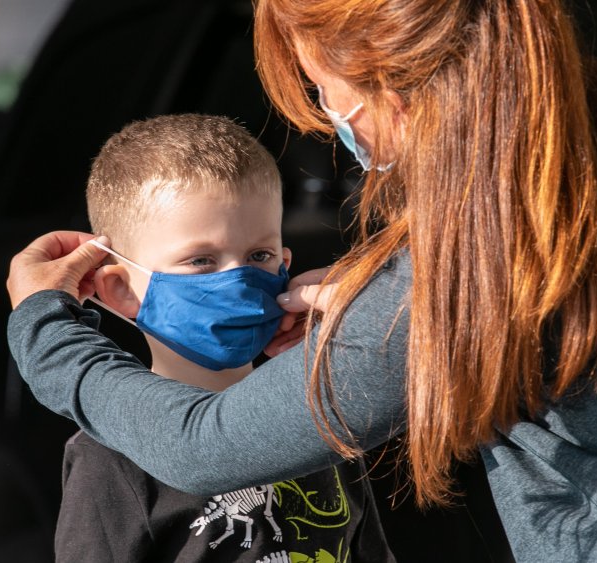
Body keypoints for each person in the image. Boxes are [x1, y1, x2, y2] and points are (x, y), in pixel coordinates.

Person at [6, 0, 597, 560]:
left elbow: (204, 444)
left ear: (385, 84)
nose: (327, 115)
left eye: (321, 89)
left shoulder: (494, 249)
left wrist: (43, 324)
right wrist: (378, 290)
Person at [51, 114, 394, 562]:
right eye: (201, 260)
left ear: (284, 264)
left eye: (259, 255)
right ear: (120, 289)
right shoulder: (110, 458)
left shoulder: (313, 413)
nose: (239, 279)